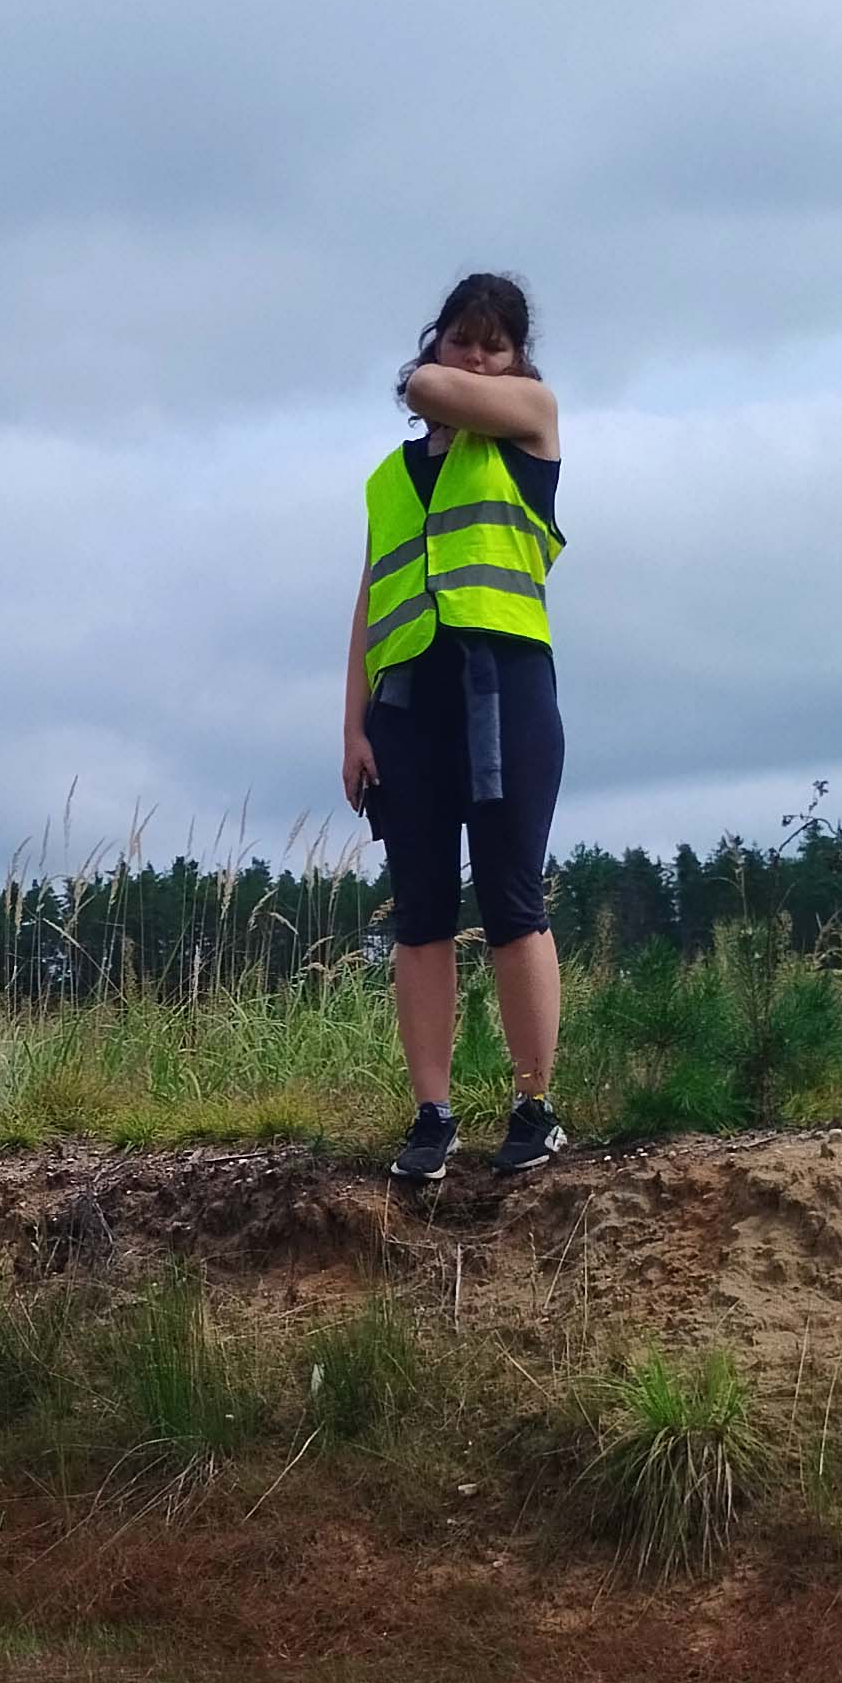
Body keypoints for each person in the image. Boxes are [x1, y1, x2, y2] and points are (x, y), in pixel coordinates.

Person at [341, 270, 571, 1182]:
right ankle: (432, 1117)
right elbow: (368, 605)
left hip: (504, 687)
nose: (475, 357)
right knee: (421, 913)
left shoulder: (532, 422)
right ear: (438, 336)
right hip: (407, 707)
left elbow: (424, 389)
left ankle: (534, 1107)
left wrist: (429, 375)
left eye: (495, 345)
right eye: (462, 339)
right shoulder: (385, 481)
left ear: (518, 360)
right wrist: (353, 726)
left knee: (512, 903)